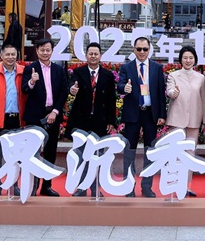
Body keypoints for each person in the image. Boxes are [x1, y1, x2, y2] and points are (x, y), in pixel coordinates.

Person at [66, 42, 117, 197]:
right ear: (86, 55)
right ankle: (81, 188)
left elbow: (111, 100)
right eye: (90, 54)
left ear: (100, 56)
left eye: (96, 54)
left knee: (97, 156)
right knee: (82, 155)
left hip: (100, 121)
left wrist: (111, 121)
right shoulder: (79, 72)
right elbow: (71, 86)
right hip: (81, 120)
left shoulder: (107, 75)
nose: (93, 56)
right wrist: (72, 90)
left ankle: (95, 188)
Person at [118, 36, 166, 198]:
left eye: (145, 49)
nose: (142, 52)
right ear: (134, 50)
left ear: (149, 50)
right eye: (139, 49)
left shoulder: (157, 68)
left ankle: (147, 187)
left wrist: (162, 115)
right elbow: (119, 85)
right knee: (129, 151)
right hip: (133, 114)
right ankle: (128, 186)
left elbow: (161, 93)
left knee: (150, 151)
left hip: (150, 114)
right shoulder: (127, 67)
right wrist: (124, 88)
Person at [21, 38, 69, 197]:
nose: (45, 53)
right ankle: (33, 186)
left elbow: (64, 92)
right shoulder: (30, 69)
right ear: (37, 51)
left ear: (52, 51)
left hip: (52, 116)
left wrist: (55, 111)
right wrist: (32, 82)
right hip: (35, 117)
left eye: (48, 50)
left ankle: (46, 186)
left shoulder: (58, 69)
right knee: (33, 153)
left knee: (50, 152)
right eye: (42, 50)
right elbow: (24, 89)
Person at [0, 44, 27, 196]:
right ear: (1, 56)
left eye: (13, 54)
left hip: (17, 121)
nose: (10, 57)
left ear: (17, 56)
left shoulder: (23, 72)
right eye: (7, 54)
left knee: (17, 156)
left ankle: (14, 185)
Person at [165, 45, 205, 197]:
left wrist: (203, 119)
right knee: (175, 153)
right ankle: (174, 183)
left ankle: (186, 186)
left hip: (194, 120)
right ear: (180, 60)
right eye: (185, 58)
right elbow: (170, 90)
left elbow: (203, 99)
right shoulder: (174, 75)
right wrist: (173, 93)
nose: (188, 60)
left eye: (191, 58)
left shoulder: (201, 77)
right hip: (177, 119)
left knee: (190, 154)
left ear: (195, 59)